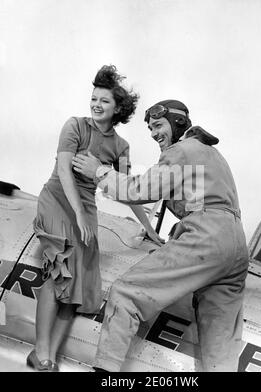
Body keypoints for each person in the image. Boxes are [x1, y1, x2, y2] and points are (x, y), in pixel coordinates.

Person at [72, 99, 249, 372]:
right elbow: (204, 205)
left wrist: (99, 171)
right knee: (220, 342)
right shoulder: (211, 154)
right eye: (151, 128)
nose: (154, 133)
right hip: (235, 247)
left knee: (126, 293)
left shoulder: (182, 151)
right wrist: (178, 235)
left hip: (208, 239)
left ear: (178, 123)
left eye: (157, 125)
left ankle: (105, 373)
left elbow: (139, 191)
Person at [28, 65, 162, 372]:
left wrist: (149, 230)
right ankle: (42, 353)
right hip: (59, 200)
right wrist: (79, 215)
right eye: (94, 98)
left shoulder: (120, 147)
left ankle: (50, 358)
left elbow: (127, 192)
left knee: (79, 288)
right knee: (60, 272)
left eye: (104, 101)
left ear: (117, 110)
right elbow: (64, 172)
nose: (96, 104)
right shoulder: (75, 126)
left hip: (85, 209)